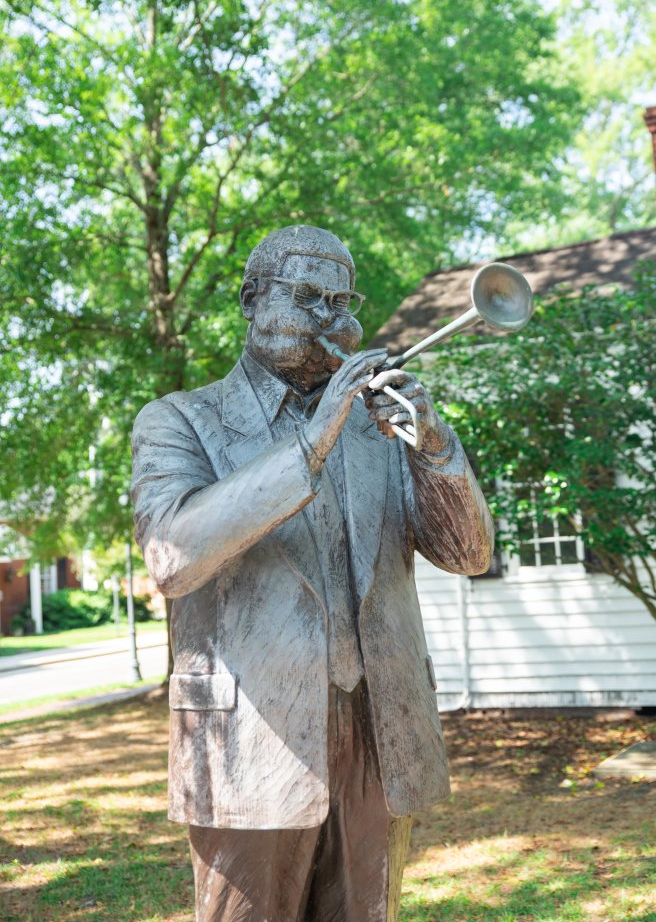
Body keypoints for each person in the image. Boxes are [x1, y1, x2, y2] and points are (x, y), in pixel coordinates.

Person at [132, 224, 493, 921]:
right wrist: (311, 441)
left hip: (377, 729)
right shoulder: (180, 419)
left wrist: (437, 446)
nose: (332, 320)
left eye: (343, 301)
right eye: (307, 298)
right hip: (246, 737)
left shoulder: (380, 430)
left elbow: (468, 555)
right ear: (250, 301)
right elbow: (171, 557)